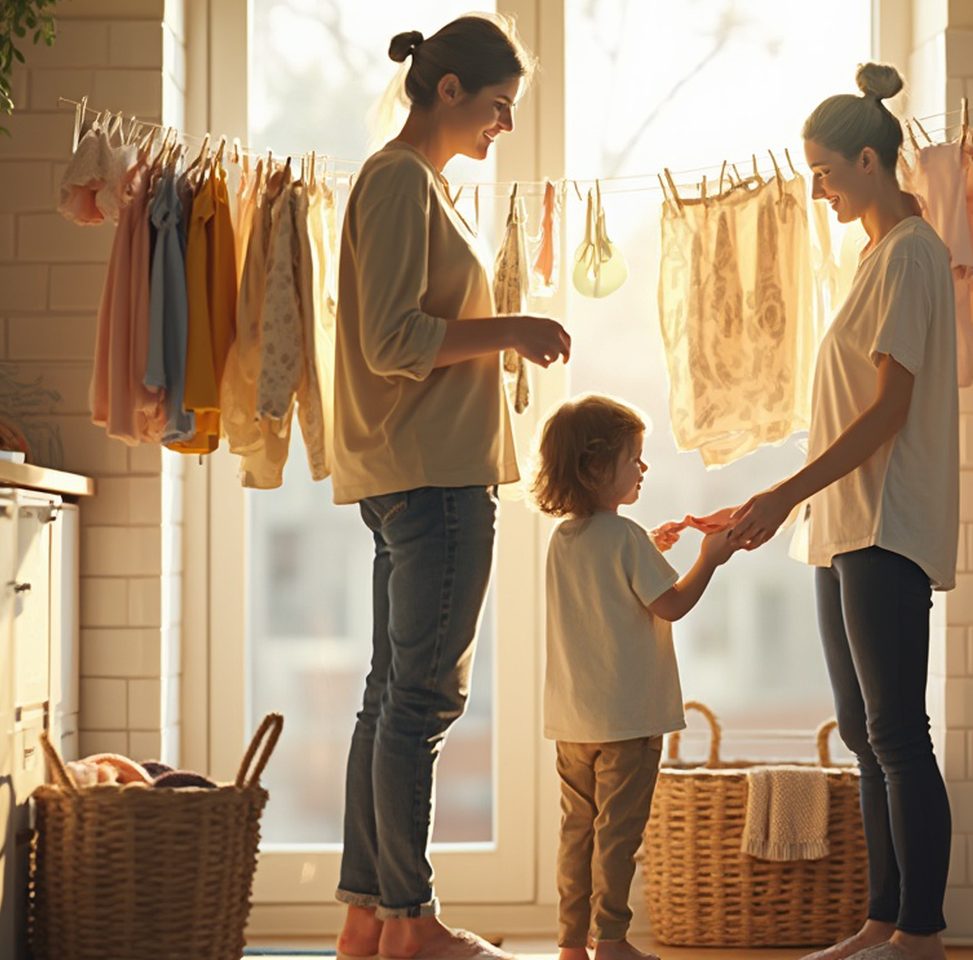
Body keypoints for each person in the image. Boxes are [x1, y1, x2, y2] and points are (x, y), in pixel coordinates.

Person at [331, 15, 572, 960]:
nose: (504, 126)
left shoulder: (416, 186)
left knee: (392, 695)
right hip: (432, 475)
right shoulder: (400, 183)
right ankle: (410, 923)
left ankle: (368, 916)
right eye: (499, 107)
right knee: (420, 703)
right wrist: (511, 329)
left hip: (413, 471)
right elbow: (393, 343)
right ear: (448, 91)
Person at [728, 63, 956, 960]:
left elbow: (889, 410)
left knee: (898, 732)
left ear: (870, 160)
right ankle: (881, 920)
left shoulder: (910, 251)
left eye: (825, 171)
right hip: (845, 526)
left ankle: (923, 934)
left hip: (885, 523)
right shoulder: (874, 255)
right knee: (866, 735)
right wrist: (793, 502)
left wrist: (786, 494)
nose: (816, 187)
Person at [530, 394, 737, 960]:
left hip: (574, 723)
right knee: (618, 838)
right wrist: (709, 559)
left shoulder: (565, 540)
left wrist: (651, 545)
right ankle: (614, 941)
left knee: (578, 837)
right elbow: (669, 605)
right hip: (628, 723)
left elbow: (607, 588)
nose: (643, 468)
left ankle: (572, 945)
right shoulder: (624, 538)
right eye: (633, 458)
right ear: (596, 468)